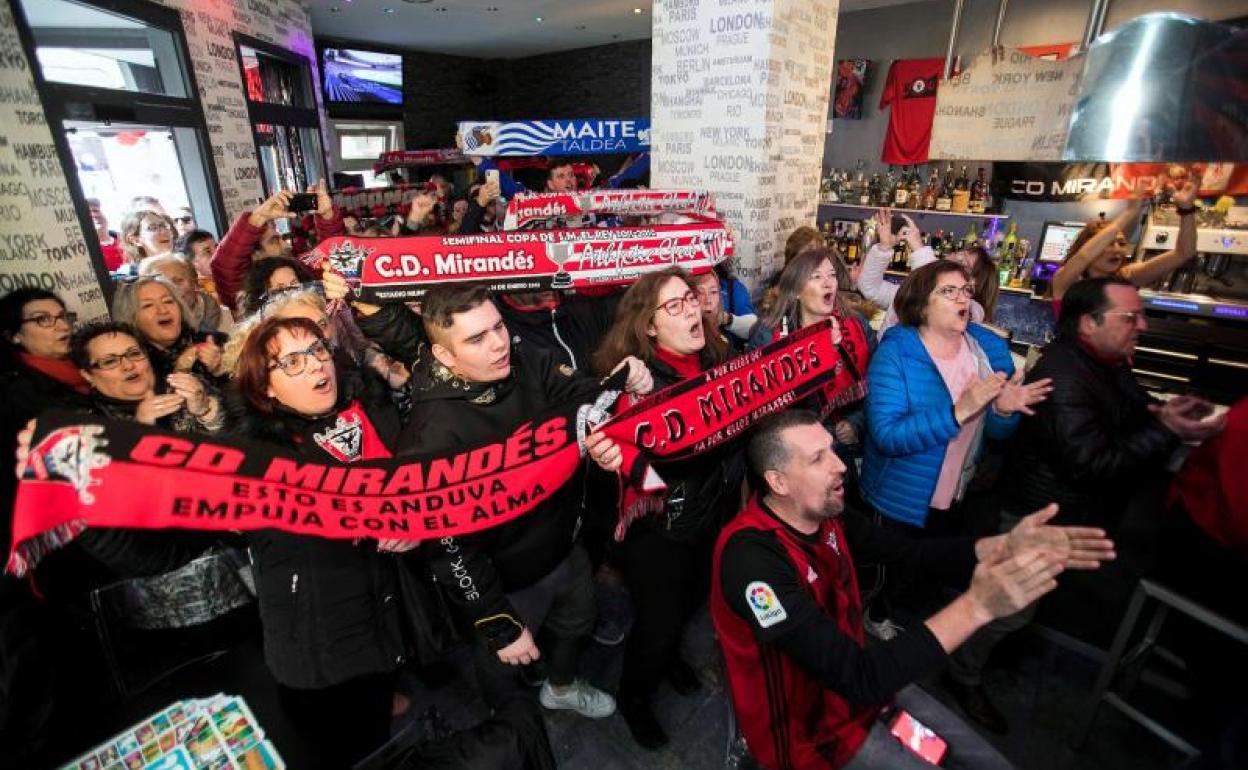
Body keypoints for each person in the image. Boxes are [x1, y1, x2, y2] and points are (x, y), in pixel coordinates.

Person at [711, 409, 1115, 770]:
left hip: (859, 688)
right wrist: (976, 606)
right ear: (778, 481)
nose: (840, 467)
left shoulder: (826, 513)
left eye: (833, 450)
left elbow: (907, 553)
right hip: (808, 733)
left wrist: (996, 547)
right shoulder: (751, 562)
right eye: (818, 459)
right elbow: (857, 676)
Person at [943, 277, 1226, 732]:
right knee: (1006, 608)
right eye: (1129, 317)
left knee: (1021, 606)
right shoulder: (1064, 376)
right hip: (1039, 516)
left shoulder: (1104, 362)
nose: (1142, 325)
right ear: (1088, 324)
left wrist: (1160, 414)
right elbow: (1092, 463)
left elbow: (1127, 405)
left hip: (1062, 514)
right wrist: (1166, 432)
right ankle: (961, 674)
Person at [390, 284, 650, 722]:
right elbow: (450, 547)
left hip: (564, 547)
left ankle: (562, 686)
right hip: (506, 582)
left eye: (498, 327)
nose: (497, 345)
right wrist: (495, 620)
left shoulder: (521, 355)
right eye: (476, 338)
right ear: (445, 357)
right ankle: (509, 726)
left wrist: (619, 387)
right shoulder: (430, 437)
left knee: (578, 621)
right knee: (502, 663)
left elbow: (578, 396)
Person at [232, 316, 422, 769]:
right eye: (292, 361)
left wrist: (413, 520)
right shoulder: (255, 458)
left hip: (383, 612)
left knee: (376, 726)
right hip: (318, 643)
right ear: (266, 390)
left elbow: (414, 485)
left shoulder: (367, 414)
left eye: (317, 350)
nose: (316, 365)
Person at [589, 268, 745, 749]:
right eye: (674, 305)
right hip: (660, 529)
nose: (692, 310)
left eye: (692, 299)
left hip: (711, 513)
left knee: (692, 602)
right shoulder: (636, 381)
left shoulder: (721, 356)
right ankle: (634, 698)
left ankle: (672, 653)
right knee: (656, 626)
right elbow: (611, 452)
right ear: (649, 326)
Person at [861, 261, 1049, 539]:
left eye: (966, 290)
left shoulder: (985, 351)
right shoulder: (896, 354)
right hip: (899, 504)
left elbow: (994, 435)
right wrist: (959, 411)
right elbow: (887, 436)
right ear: (921, 304)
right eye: (949, 291)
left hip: (956, 499)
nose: (963, 297)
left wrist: (1002, 412)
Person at [749, 248, 876, 489]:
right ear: (796, 290)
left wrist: (857, 422)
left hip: (845, 449)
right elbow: (758, 406)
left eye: (831, 275)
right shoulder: (768, 335)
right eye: (816, 277)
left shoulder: (858, 326)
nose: (828, 283)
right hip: (794, 459)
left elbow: (878, 385)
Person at [0, 289, 91, 547]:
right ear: (14, 335)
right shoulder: (16, 395)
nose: (61, 325)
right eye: (43, 319)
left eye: (62, 316)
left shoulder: (84, 370)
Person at [1049, 180, 1198, 310]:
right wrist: (1129, 212)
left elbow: (1184, 253)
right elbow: (1083, 256)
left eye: (1121, 243)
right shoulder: (1066, 279)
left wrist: (1186, 209)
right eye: (1108, 243)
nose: (1117, 250)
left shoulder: (1127, 276)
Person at [858, 210, 994, 331]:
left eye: (962, 262)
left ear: (975, 284)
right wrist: (884, 248)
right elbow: (871, 289)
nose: (952, 257)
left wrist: (919, 249)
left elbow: (933, 296)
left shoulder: (972, 311)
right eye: (958, 252)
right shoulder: (911, 291)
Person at [111, 276, 226, 382]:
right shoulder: (131, 367)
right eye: (148, 305)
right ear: (131, 318)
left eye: (168, 301)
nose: (163, 310)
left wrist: (220, 371)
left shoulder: (218, 343)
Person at [139, 254, 233, 334]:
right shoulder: (146, 332)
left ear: (194, 282)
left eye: (178, 281)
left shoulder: (229, 318)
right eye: (163, 284)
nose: (173, 289)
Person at [117, 209, 175, 277]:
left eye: (164, 226)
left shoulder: (184, 264)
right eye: (153, 228)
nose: (164, 231)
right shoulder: (129, 274)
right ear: (135, 240)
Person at [176, 229, 220, 300]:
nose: (217, 254)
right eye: (207, 252)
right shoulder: (195, 295)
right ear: (190, 262)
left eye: (217, 247)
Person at [86, 198, 124, 272]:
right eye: (87, 213)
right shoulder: (85, 249)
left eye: (95, 211)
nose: (93, 215)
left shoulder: (125, 240)